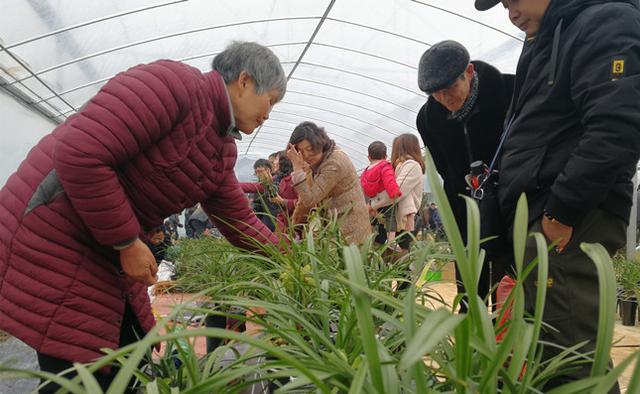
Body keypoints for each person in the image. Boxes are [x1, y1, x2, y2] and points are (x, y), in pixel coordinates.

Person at [0, 41, 286, 392]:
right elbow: (80, 154)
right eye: (270, 100)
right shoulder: (172, 85)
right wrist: (126, 241)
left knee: (129, 357)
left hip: (100, 250)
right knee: (81, 369)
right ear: (244, 81)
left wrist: (290, 262)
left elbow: (238, 219)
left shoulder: (220, 146)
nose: (268, 113)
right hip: (52, 236)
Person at [476, 0, 640, 390]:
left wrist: (561, 211)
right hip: (541, 216)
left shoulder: (604, 21)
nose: (510, 12)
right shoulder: (546, 37)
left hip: (572, 220)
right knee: (545, 352)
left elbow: (617, 125)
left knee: (570, 359)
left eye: (511, 0)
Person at [416, 40, 515, 312]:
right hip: (464, 207)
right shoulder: (427, 118)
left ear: (468, 72)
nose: (444, 98)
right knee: (470, 282)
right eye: (435, 93)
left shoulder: (510, 93)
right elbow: (443, 167)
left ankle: (507, 341)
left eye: (450, 88)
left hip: (511, 203)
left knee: (510, 280)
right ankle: (473, 335)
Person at [287, 121, 371, 245]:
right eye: (300, 151)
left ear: (319, 141)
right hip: (337, 225)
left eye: (310, 149)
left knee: (350, 263)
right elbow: (305, 200)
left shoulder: (334, 163)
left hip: (350, 228)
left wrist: (298, 169)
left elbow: (310, 199)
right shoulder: (319, 162)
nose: (306, 155)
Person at [361, 141, 402, 247]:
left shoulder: (366, 171)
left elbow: (364, 185)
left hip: (373, 199)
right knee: (390, 216)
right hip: (385, 199)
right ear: (385, 156)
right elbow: (389, 181)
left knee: (372, 217)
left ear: (369, 157)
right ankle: (391, 241)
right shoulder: (385, 166)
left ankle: (368, 235)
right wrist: (395, 193)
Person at [241, 159, 280, 231]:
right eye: (256, 172)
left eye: (260, 171)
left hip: (276, 221)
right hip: (265, 221)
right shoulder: (259, 185)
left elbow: (275, 196)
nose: (258, 174)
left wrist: (268, 184)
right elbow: (257, 204)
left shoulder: (277, 180)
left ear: (268, 170)